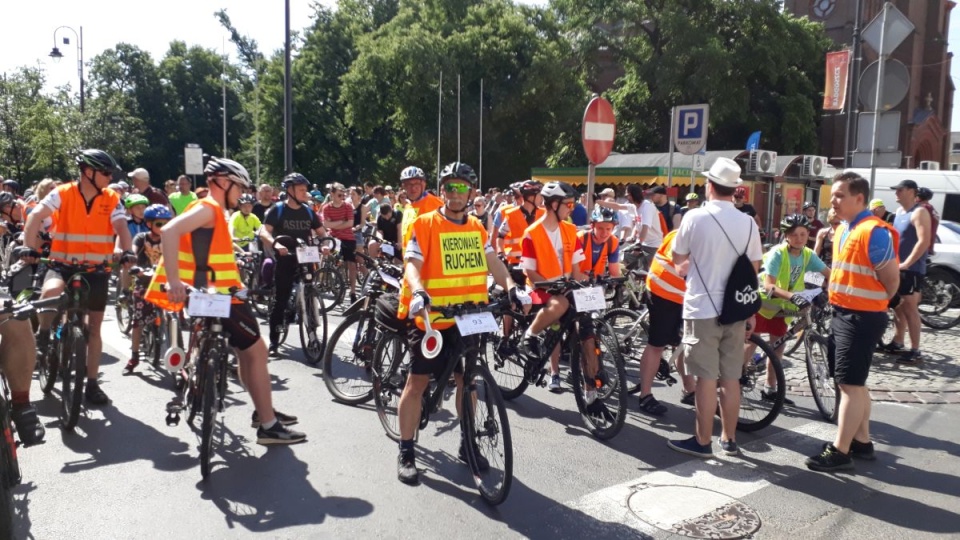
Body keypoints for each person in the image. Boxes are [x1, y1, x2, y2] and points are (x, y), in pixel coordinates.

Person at [145, 157, 305, 445]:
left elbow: (207, 253)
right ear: (224, 182)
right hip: (218, 297)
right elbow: (169, 231)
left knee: (245, 350)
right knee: (256, 350)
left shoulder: (209, 209)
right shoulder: (208, 208)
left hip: (210, 292)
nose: (242, 194)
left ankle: (262, 408)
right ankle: (267, 423)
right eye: (239, 187)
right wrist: (175, 280)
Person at [394, 161, 526, 484]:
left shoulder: (476, 228)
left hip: (468, 316)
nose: (455, 193)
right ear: (442, 191)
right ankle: (406, 449)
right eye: (449, 187)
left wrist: (510, 287)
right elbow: (411, 265)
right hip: (432, 317)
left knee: (469, 382)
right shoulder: (424, 223)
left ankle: (468, 444)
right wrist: (420, 291)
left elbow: (493, 261)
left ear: (472, 192)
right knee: (418, 383)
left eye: (462, 187)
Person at [668, 157, 762, 458]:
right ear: (735, 190)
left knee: (705, 379)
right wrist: (750, 312)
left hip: (701, 308)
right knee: (731, 377)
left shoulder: (694, 218)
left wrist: (693, 265)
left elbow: (677, 258)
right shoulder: (748, 222)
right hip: (735, 309)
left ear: (710, 186)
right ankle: (730, 439)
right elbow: (754, 269)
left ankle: (702, 440)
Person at [24, 149, 135, 405]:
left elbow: (121, 227)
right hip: (62, 264)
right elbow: (35, 216)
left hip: (96, 269)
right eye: (106, 173)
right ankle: (42, 335)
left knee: (94, 329)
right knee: (50, 292)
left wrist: (126, 251)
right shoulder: (62, 193)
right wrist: (29, 247)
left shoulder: (111, 197)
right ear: (88, 172)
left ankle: (92, 384)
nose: (109, 177)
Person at [806, 172, 898, 472]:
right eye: (833, 194)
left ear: (859, 198)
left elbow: (891, 282)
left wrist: (871, 303)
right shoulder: (846, 228)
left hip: (862, 316)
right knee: (854, 383)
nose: (833, 200)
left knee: (849, 384)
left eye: (840, 195)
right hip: (845, 312)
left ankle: (841, 451)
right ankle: (862, 441)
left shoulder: (874, 231)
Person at [749, 214, 831, 405]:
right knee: (751, 343)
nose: (799, 238)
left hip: (782, 308)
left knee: (777, 348)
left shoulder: (807, 255)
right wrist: (794, 297)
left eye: (803, 234)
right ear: (786, 236)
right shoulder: (778, 253)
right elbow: (769, 285)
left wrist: (828, 290)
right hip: (763, 304)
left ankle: (770, 389)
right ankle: (736, 383)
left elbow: (829, 274)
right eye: (794, 235)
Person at [518, 181, 590, 393]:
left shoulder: (570, 229)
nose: (572, 208)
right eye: (568, 204)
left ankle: (591, 387)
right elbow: (530, 272)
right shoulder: (532, 232)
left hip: (564, 286)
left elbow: (577, 269)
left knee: (585, 318)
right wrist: (553, 286)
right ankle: (529, 337)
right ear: (554, 204)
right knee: (560, 307)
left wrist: (590, 283)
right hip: (541, 287)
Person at [260, 172, 325, 357]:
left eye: (306, 189)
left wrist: (326, 244)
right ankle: (274, 341)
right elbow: (264, 232)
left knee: (310, 292)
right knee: (281, 298)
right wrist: (276, 244)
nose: (306, 193)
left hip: (306, 257)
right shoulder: (278, 210)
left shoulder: (308, 211)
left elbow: (321, 232)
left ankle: (312, 336)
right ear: (290, 190)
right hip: (285, 258)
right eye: (302, 190)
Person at [636, 228, 693, 415]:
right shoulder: (681, 235)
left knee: (685, 341)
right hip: (663, 292)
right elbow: (681, 266)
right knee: (657, 345)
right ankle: (645, 395)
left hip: (685, 296)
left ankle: (689, 390)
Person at [882, 179, 931, 365]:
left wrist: (907, 263)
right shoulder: (899, 213)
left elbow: (923, 241)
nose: (896, 193)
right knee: (898, 305)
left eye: (900, 189)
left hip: (911, 269)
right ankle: (898, 341)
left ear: (911, 191)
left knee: (910, 308)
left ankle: (915, 349)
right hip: (897, 267)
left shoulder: (919, 212)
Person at [124, 204, 171, 373]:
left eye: (167, 223)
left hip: (165, 283)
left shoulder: (170, 239)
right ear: (149, 224)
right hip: (144, 281)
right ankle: (134, 357)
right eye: (159, 224)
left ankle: (176, 348)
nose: (163, 227)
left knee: (175, 315)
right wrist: (135, 265)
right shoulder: (141, 238)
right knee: (138, 322)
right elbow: (134, 253)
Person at [323, 182, 360, 303]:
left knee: (352, 264)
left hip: (348, 237)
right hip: (334, 237)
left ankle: (353, 291)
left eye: (343, 195)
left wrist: (334, 224)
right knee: (331, 257)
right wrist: (341, 222)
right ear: (332, 194)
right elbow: (326, 224)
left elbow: (350, 223)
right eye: (339, 195)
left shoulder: (348, 206)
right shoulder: (327, 208)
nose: (342, 197)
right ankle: (332, 282)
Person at [398, 166, 442, 250]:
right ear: (403, 187)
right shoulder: (408, 207)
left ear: (423, 184)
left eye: (416, 184)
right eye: (408, 184)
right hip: (410, 260)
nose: (413, 188)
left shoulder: (436, 203)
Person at [578, 208, 622, 279]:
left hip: (597, 285)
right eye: (600, 228)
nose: (604, 233)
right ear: (592, 226)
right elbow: (571, 269)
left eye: (608, 229)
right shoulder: (580, 239)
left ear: (613, 229)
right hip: (576, 283)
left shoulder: (613, 242)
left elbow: (614, 273)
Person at [916, 187, 940, 255]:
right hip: (928, 247)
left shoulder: (923, 208)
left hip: (921, 249)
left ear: (919, 197)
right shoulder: (931, 208)